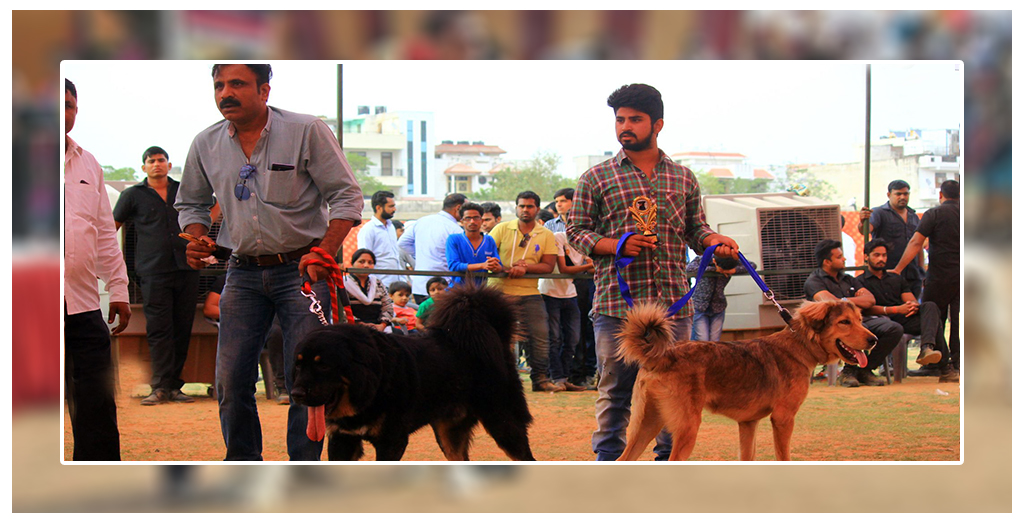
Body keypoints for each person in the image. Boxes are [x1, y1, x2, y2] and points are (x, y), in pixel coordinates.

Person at [175, 64, 363, 461]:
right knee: (230, 379)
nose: (226, 92)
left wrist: (323, 251)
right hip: (240, 273)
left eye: (238, 84)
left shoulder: (306, 130)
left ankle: (304, 468)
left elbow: (346, 196)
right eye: (219, 85)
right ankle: (243, 465)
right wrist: (196, 235)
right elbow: (190, 202)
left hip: (303, 272)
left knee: (309, 379)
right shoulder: (205, 143)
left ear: (264, 90)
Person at [566, 83, 739, 460]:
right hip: (617, 307)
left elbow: (696, 228)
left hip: (674, 307)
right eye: (619, 119)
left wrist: (715, 241)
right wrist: (616, 245)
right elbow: (575, 232)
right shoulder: (596, 177)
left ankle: (666, 467)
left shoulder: (683, 177)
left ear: (657, 124)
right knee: (614, 391)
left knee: (675, 391)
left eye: (635, 119)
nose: (624, 126)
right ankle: (609, 465)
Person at [63, 78, 131, 460]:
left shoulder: (88, 163)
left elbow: (105, 232)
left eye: (69, 104)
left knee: (96, 406)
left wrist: (118, 289)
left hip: (83, 306)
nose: (61, 111)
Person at [113, 146, 199, 406]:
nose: (157, 164)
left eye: (161, 160)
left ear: (169, 165)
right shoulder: (132, 195)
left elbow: (213, 205)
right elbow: (111, 226)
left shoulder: (183, 190)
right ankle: (160, 386)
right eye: (151, 161)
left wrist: (197, 236)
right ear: (144, 167)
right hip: (153, 271)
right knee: (159, 329)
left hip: (187, 267)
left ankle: (175, 386)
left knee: (183, 328)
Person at [804, 240, 903, 387]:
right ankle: (848, 372)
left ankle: (865, 370)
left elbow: (870, 300)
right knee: (853, 331)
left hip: (861, 321)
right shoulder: (814, 281)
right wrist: (854, 300)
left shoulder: (849, 279)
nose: (844, 259)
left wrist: (842, 300)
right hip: (834, 328)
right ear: (827, 262)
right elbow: (831, 303)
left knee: (894, 328)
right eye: (839, 257)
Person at [490, 191, 561, 392]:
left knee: (540, 336)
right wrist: (506, 268)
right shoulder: (502, 229)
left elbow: (548, 266)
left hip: (530, 292)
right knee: (500, 338)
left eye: (530, 206)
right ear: (516, 208)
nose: (525, 210)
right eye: (521, 206)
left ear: (537, 209)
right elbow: (489, 258)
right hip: (499, 292)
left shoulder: (546, 234)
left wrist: (525, 268)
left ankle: (540, 379)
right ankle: (502, 382)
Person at [893, 180, 961, 383]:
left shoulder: (934, 214)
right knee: (959, 321)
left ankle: (937, 364)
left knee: (934, 317)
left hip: (940, 276)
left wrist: (898, 269)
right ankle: (957, 363)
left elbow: (916, 242)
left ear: (941, 195)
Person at [855, 239, 951, 379]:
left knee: (930, 308)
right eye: (876, 255)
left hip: (904, 318)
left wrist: (912, 305)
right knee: (934, 323)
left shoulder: (895, 278)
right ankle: (946, 369)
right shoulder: (859, 281)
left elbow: (910, 299)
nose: (881, 259)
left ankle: (926, 348)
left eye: (884, 255)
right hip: (881, 322)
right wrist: (896, 309)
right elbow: (866, 309)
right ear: (866, 257)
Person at [204, 274, 288, 404]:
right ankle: (235, 390)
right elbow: (210, 308)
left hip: (275, 328)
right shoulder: (226, 280)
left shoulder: (281, 279)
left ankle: (284, 387)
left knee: (277, 332)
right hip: (242, 326)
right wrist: (244, 315)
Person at [540, 197, 594, 393]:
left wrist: (585, 267)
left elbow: (591, 269)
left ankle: (565, 377)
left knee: (572, 339)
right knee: (554, 338)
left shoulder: (583, 243)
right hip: (550, 291)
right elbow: (565, 267)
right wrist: (587, 266)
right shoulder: (558, 237)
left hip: (569, 292)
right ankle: (558, 377)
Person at [858, 180, 924, 298]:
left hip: (912, 275)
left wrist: (921, 270)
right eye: (898, 194)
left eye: (906, 194)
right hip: (888, 273)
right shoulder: (879, 213)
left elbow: (918, 244)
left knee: (913, 310)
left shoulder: (913, 216)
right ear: (889, 195)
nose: (902, 197)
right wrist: (863, 221)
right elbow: (865, 231)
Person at [398, 193, 467, 304]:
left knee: (424, 320)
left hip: (420, 286)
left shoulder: (422, 221)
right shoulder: (455, 229)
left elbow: (402, 243)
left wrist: (420, 255)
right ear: (458, 208)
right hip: (444, 288)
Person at [686, 255, 754, 342]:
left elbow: (752, 265)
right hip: (699, 305)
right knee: (702, 340)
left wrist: (733, 270)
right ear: (714, 261)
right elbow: (689, 268)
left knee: (715, 340)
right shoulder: (703, 258)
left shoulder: (733, 259)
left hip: (718, 306)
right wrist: (715, 270)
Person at [446, 202, 501, 286]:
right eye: (468, 218)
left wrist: (495, 266)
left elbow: (498, 266)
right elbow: (454, 266)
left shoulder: (489, 240)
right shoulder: (454, 239)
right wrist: (482, 266)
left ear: (481, 220)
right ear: (461, 221)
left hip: (480, 292)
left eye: (476, 218)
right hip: (458, 291)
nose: (472, 221)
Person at [357, 190, 404, 288]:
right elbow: (364, 259)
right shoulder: (368, 229)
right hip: (379, 284)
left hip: (397, 283)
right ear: (378, 208)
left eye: (394, 205)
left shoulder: (391, 226)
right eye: (390, 206)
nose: (394, 209)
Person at [344, 248, 394, 332]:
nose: (366, 265)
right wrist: (360, 325)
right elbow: (342, 310)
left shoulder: (378, 283)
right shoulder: (344, 282)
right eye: (361, 262)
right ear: (352, 263)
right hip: (352, 328)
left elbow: (387, 307)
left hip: (378, 328)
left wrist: (382, 325)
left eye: (370, 263)